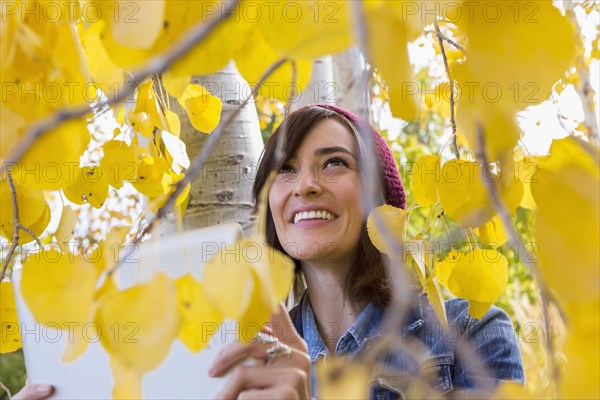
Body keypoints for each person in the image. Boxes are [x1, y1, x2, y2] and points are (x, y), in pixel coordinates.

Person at [15, 104, 524, 399]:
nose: (303, 186)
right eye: (285, 170)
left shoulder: (471, 332)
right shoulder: (232, 348)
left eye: (334, 164)